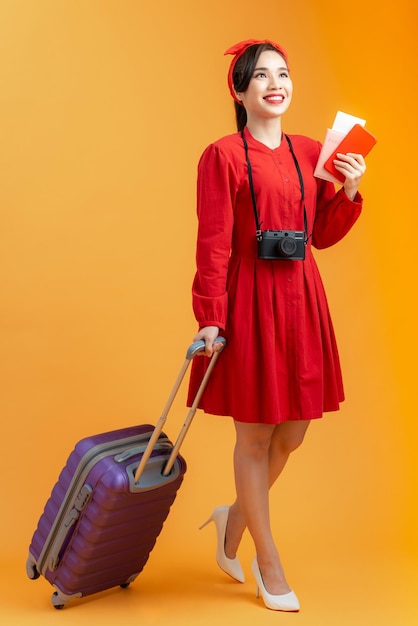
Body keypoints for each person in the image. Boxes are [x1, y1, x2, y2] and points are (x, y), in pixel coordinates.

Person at [188, 39, 366, 611]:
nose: (275, 83)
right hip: (249, 299)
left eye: (283, 73)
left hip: (301, 298)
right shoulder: (221, 155)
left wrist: (350, 190)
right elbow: (213, 245)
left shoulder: (312, 151)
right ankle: (268, 563)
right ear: (239, 92)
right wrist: (211, 318)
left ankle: (233, 519)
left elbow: (324, 235)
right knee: (255, 434)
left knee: (293, 432)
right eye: (260, 76)